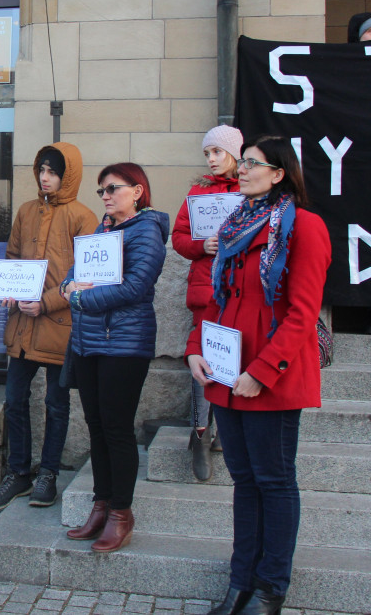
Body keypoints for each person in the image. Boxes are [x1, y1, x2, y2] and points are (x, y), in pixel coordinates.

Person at [186, 136, 330, 615]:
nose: (241, 169)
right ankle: (240, 581)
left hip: (272, 377)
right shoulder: (235, 224)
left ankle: (270, 587)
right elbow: (217, 299)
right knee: (244, 482)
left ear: (278, 173)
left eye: (251, 163)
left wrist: (263, 372)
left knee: (274, 480)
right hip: (226, 373)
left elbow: (304, 312)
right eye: (242, 162)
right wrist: (195, 352)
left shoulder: (305, 227)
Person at [61, 163, 169, 553]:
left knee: (117, 429)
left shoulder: (146, 231)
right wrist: (68, 287)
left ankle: (121, 513)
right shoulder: (101, 231)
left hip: (125, 345)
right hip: (88, 343)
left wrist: (79, 297)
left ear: (138, 191)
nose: (105, 196)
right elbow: (69, 276)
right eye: (101, 190)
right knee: (96, 426)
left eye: (113, 188)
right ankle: (100, 504)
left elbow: (136, 287)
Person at [0, 144, 95, 511]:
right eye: (42, 170)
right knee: (15, 399)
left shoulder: (84, 217)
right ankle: (18, 473)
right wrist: (7, 290)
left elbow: (87, 278)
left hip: (59, 326)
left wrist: (45, 302)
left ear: (68, 176)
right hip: (21, 326)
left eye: (53, 171)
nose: (45, 177)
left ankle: (48, 473)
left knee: (55, 403)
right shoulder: (26, 211)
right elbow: (13, 258)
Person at [171, 125, 242, 481]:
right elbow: (180, 238)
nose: (212, 159)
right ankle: (200, 434)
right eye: (207, 154)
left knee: (231, 363)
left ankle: (223, 432)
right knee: (201, 365)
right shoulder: (197, 193)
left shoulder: (249, 190)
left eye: (217, 152)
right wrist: (204, 246)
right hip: (206, 290)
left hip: (241, 292)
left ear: (234, 153)